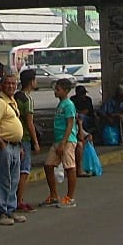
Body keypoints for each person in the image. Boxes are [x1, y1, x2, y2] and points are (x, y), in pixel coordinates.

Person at [0, 73, 26, 225]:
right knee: (3, 179)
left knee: (13, 180)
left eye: (13, 84)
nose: (10, 86)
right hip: (4, 146)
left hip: (15, 146)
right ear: (2, 85)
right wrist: (1, 144)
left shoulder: (12, 101)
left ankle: (10, 209)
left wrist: (19, 145)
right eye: (7, 83)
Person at [41, 78, 78, 208]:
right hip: (58, 140)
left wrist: (63, 142)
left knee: (70, 167)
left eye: (58, 89)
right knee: (48, 165)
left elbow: (70, 124)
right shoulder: (61, 104)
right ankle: (54, 195)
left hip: (66, 141)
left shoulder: (68, 105)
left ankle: (70, 197)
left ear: (66, 91)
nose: (55, 91)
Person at [15, 69, 41, 212]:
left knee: (15, 170)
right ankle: (19, 200)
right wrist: (35, 142)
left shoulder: (15, 96)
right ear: (31, 82)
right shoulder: (28, 100)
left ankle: (13, 199)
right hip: (24, 137)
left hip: (14, 137)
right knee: (24, 171)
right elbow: (30, 123)